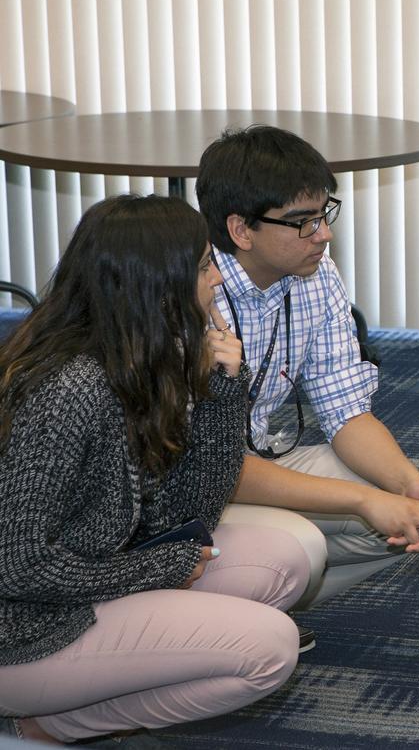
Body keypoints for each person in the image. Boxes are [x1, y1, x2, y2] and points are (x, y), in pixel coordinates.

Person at [0, 195, 306, 743]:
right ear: (159, 283)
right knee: (269, 650)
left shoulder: (138, 359)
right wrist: (158, 570)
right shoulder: (70, 388)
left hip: (87, 575)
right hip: (21, 629)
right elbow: (18, 567)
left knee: (283, 562)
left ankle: (66, 706)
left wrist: (221, 391)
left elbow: (191, 514)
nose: (217, 280)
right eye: (205, 265)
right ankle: (39, 723)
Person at [196, 125, 419, 607]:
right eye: (304, 222)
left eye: (324, 214)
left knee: (417, 503)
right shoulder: (193, 293)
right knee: (303, 542)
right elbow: (213, 465)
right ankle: (229, 616)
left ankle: (261, 610)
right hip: (186, 486)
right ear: (240, 230)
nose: (325, 234)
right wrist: (365, 501)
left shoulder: (316, 274)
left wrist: (405, 485)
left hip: (253, 456)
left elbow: (345, 410)